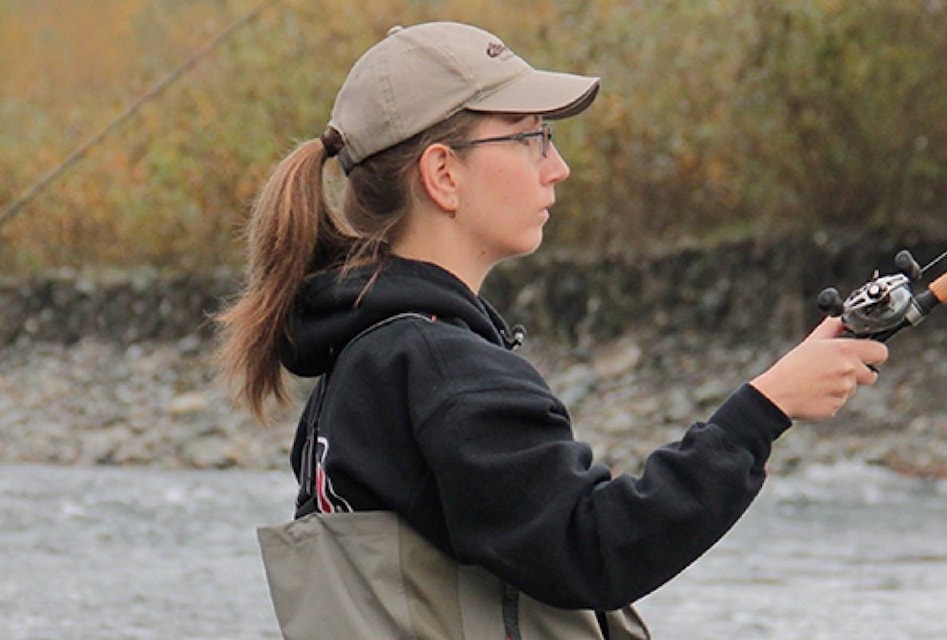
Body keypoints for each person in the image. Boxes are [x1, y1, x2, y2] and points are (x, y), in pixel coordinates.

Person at [216, 21, 888, 640]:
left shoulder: (360, 361)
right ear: (443, 174)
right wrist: (764, 411)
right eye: (530, 135)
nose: (556, 165)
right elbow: (595, 547)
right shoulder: (440, 365)